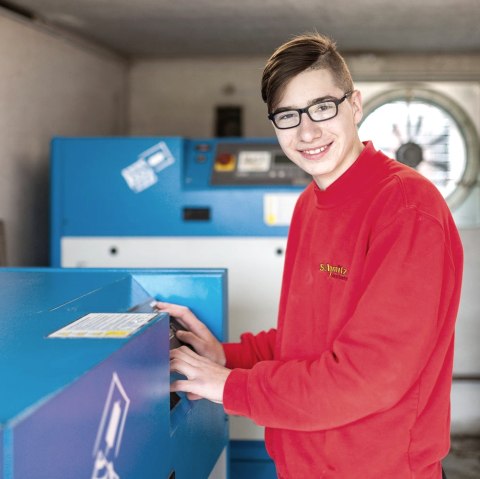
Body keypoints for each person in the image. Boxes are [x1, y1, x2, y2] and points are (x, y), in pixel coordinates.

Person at [161, 32, 463, 479]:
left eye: (323, 107)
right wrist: (227, 358)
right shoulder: (311, 203)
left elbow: (367, 376)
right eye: (288, 115)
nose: (307, 131)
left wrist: (231, 387)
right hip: (304, 465)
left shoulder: (405, 208)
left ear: (355, 105)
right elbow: (309, 336)